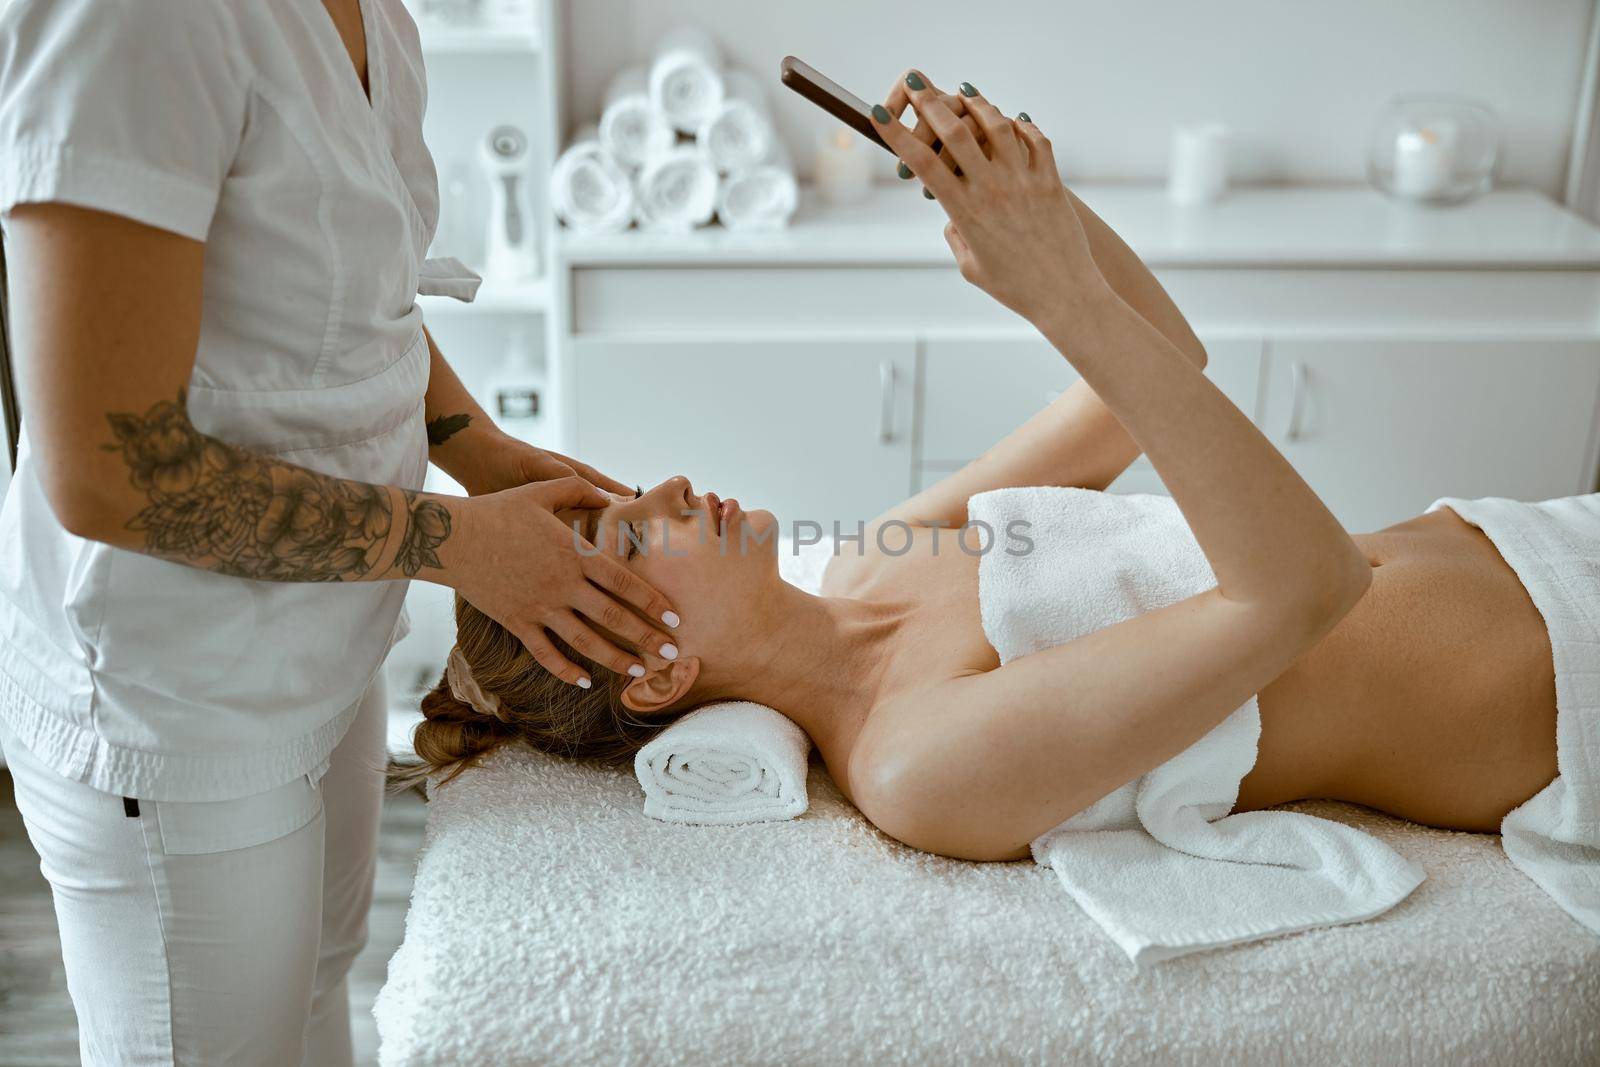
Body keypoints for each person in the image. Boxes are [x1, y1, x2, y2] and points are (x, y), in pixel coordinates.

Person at [398, 74, 1564, 872]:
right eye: (631, 537)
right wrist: (1052, 294)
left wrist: (1018, 202)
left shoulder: (875, 558)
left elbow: (1154, 361)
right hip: (1566, 697)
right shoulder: (915, 760)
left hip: (1531, 536)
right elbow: (1305, 587)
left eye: (618, 495)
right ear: (657, 672)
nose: (654, 491)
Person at [0, 1, 681, 1063]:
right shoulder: (130, 23)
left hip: (327, 630)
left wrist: (475, 445)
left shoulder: (370, 14)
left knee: (317, 985)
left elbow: (365, 301)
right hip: (179, 684)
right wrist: (454, 541)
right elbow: (107, 469)